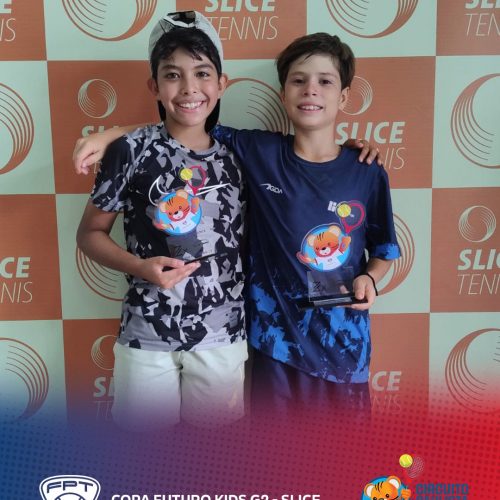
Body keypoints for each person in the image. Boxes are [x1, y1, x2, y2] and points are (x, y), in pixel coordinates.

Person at [74, 19, 396, 418]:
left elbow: (384, 246)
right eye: (299, 81)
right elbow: (183, 126)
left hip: (315, 343)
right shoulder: (254, 151)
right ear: (282, 92)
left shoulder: (358, 169)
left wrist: (371, 277)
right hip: (263, 342)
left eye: (325, 82)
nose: (311, 90)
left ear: (344, 95)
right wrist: (111, 136)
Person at [76, 11, 248, 431]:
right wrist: (139, 267)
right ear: (154, 86)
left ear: (222, 83)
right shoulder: (130, 150)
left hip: (221, 333)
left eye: (202, 73)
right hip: (147, 332)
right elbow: (90, 234)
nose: (189, 88)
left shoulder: (241, 155)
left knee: (216, 451)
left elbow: (307, 154)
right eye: (172, 75)